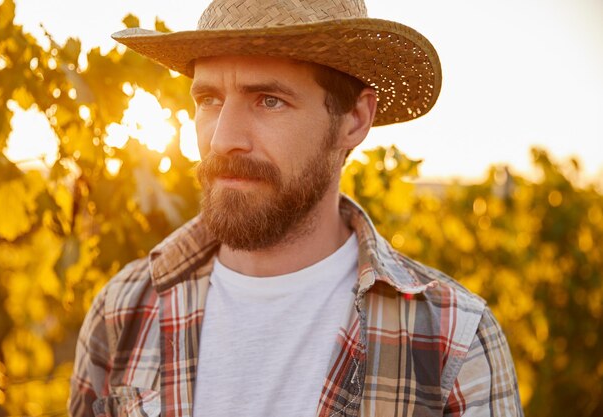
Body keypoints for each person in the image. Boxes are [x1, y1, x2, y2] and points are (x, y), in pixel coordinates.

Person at [69, 0, 523, 416]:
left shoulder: (452, 341)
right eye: (209, 100)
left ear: (355, 119)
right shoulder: (122, 311)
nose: (224, 138)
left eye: (269, 100)